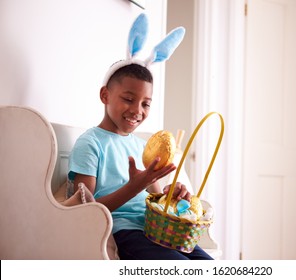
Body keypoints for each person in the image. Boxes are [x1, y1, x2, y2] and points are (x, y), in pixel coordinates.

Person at [66, 14, 212, 260]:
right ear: (105, 95)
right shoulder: (89, 143)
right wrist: (134, 186)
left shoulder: (143, 146)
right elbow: (86, 211)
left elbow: (157, 196)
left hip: (160, 230)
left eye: (146, 103)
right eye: (128, 99)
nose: (137, 111)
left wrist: (173, 195)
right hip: (126, 233)